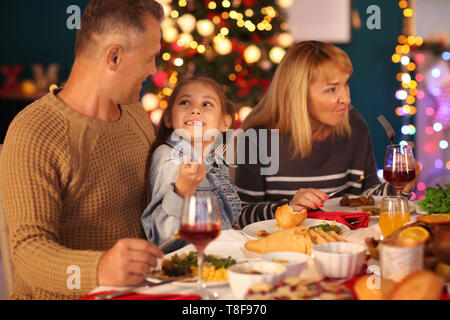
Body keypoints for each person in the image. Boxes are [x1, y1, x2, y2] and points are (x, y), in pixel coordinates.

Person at [0, 0, 165, 299]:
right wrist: (99, 269)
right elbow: (28, 251)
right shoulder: (34, 132)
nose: (153, 70)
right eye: (149, 57)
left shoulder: (136, 116)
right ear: (114, 56)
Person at [235, 40, 420, 227]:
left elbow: (367, 196)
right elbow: (240, 216)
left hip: (345, 247)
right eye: (331, 89)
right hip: (284, 252)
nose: (346, 99)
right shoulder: (257, 139)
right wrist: (289, 207)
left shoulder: (354, 125)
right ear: (297, 94)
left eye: (345, 84)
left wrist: (399, 189)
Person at [141, 76, 241, 252]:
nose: (195, 109)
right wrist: (184, 187)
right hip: (188, 267)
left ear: (225, 123)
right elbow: (163, 239)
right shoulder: (171, 161)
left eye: (206, 104)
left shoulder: (213, 159)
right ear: (168, 119)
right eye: (185, 102)